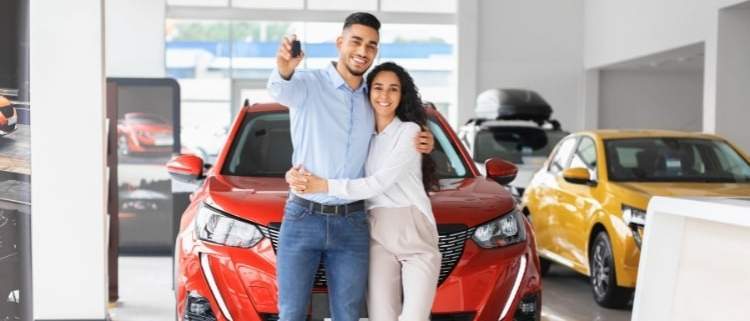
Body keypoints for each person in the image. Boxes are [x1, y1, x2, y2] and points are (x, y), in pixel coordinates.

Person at [267, 12, 434, 321]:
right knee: (290, 313)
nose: (362, 51)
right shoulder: (308, 83)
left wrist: (426, 139)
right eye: (356, 41)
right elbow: (280, 91)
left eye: (371, 45)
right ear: (340, 42)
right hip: (303, 215)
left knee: (348, 314)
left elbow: (393, 134)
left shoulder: (371, 98)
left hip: (353, 222)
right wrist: (283, 70)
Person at [291, 62, 441, 321]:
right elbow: (330, 159)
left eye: (393, 89)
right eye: (378, 88)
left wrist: (323, 185)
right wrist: (291, 174)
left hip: (413, 230)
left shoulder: (410, 132)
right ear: (367, 92)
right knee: (382, 317)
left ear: (402, 95)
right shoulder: (362, 136)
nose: (384, 95)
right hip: (375, 229)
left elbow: (379, 182)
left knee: (414, 318)